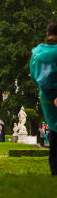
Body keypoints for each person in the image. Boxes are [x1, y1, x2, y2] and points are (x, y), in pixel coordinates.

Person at [30, 21, 57, 176]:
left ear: (47, 34)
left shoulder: (38, 53)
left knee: (54, 130)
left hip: (46, 95)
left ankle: (54, 169)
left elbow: (34, 74)